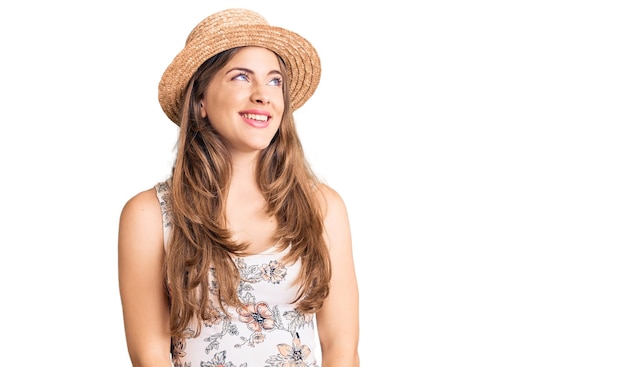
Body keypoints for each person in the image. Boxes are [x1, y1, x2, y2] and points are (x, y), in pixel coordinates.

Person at [117, 8, 360, 367]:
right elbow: (148, 355)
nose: (263, 95)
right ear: (200, 101)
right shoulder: (150, 214)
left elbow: (342, 347)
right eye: (241, 77)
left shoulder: (322, 207)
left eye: (275, 81)